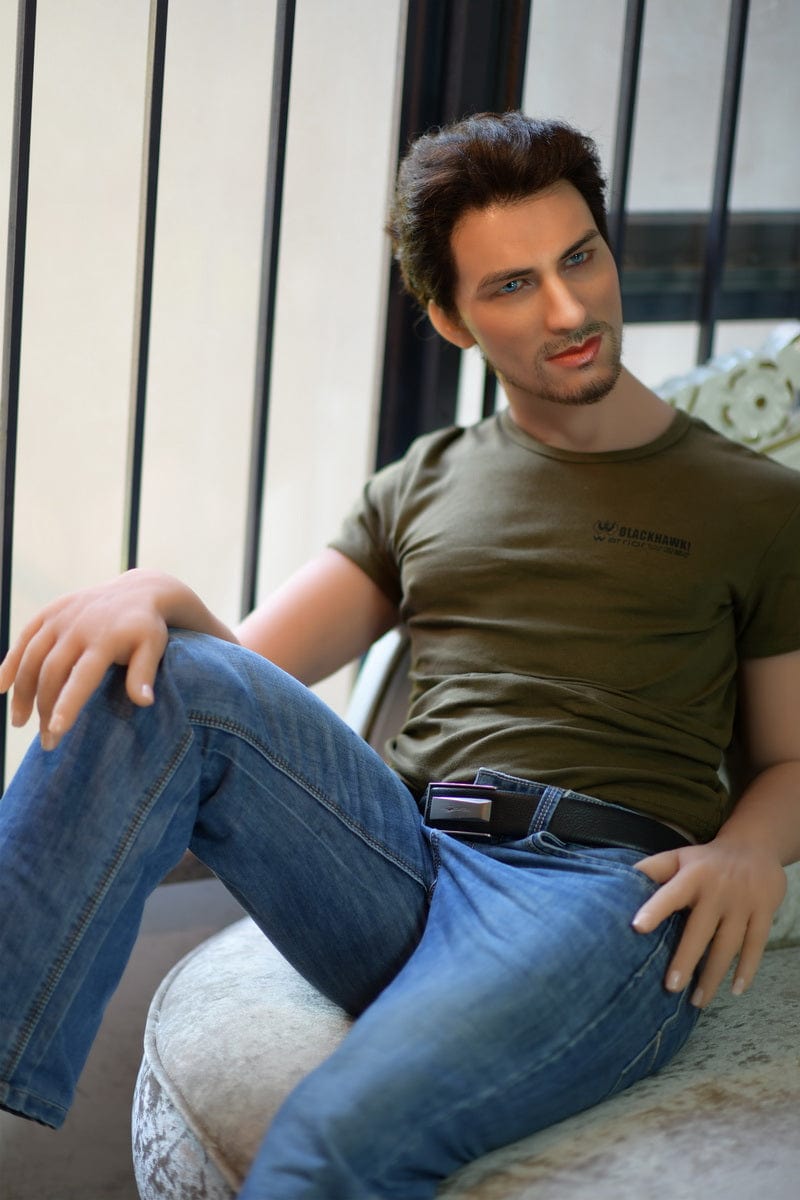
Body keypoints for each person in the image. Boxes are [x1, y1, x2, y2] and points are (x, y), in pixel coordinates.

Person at [1, 111, 799, 1199]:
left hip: (593, 894)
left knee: (329, 1142)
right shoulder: (421, 482)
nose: (569, 310)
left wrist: (746, 852)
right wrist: (155, 590)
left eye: (579, 259)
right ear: (451, 319)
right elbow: (229, 696)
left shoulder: (756, 505)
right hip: (400, 859)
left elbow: (789, 758)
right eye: (512, 285)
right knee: (151, 669)